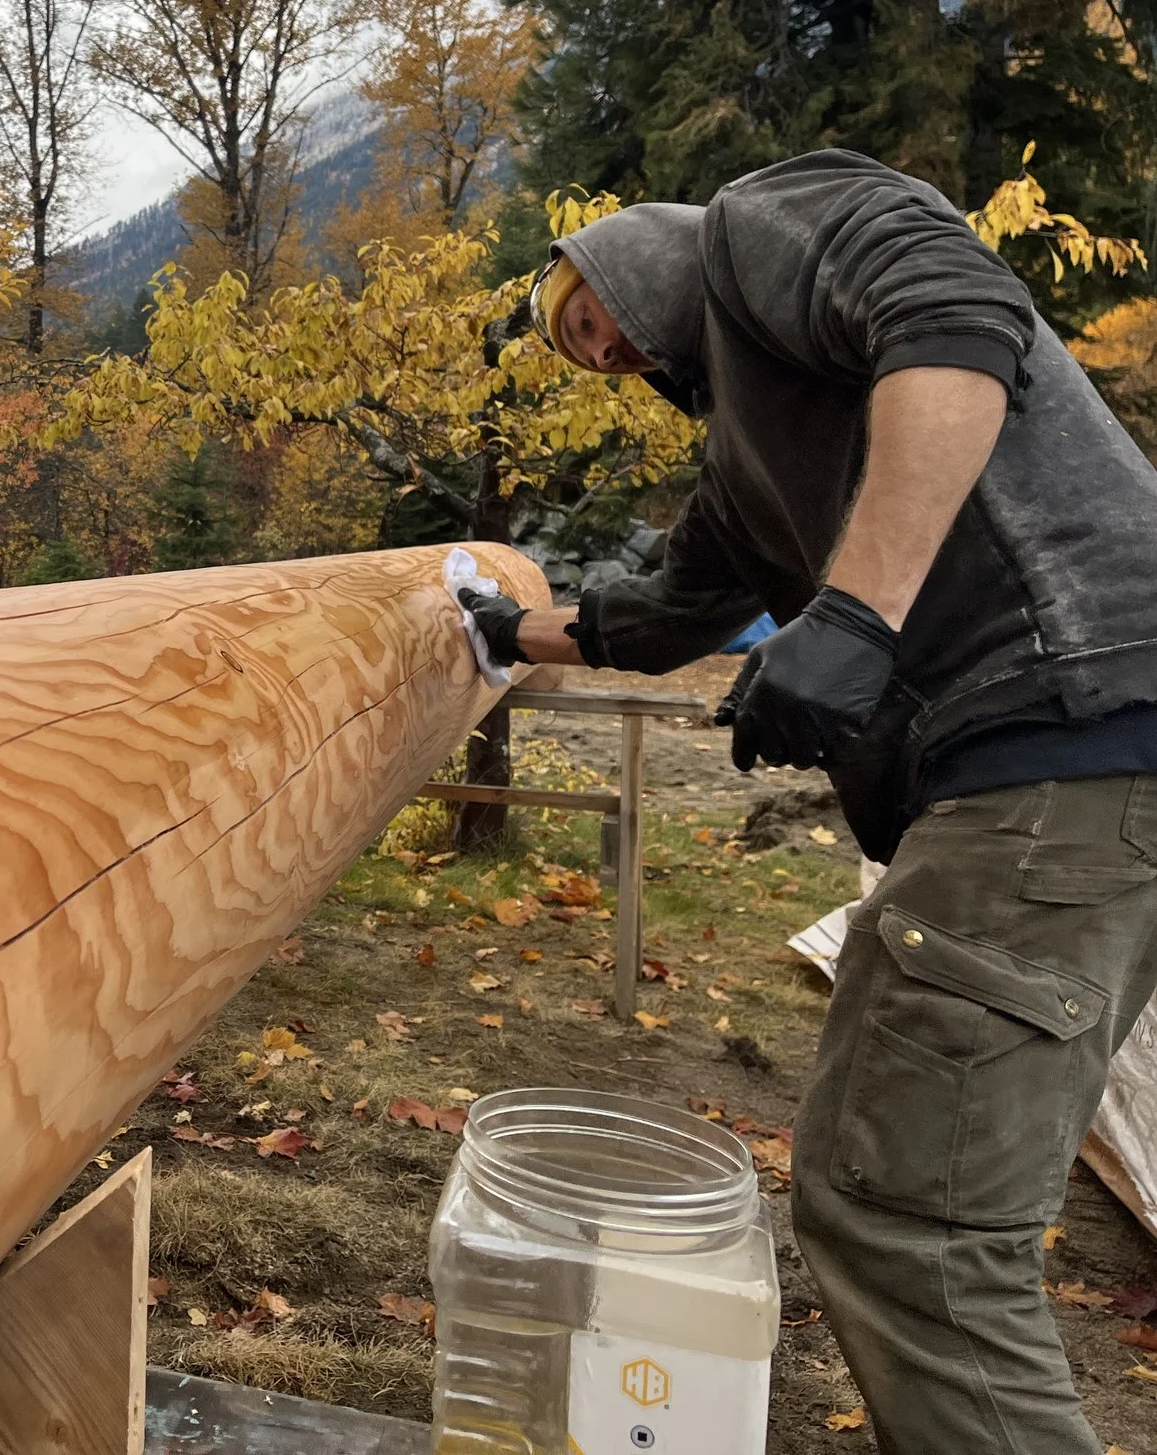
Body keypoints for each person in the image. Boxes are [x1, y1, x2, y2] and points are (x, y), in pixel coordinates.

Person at [456, 148, 1157, 1455]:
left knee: (916, 1218)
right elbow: (667, 614)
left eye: (587, 320)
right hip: (1070, 760)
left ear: (627, 263)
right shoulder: (748, 456)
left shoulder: (759, 226)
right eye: (572, 353)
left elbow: (959, 319)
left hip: (1070, 723)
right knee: (892, 1194)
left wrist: (855, 617)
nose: (595, 354)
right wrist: (509, 629)